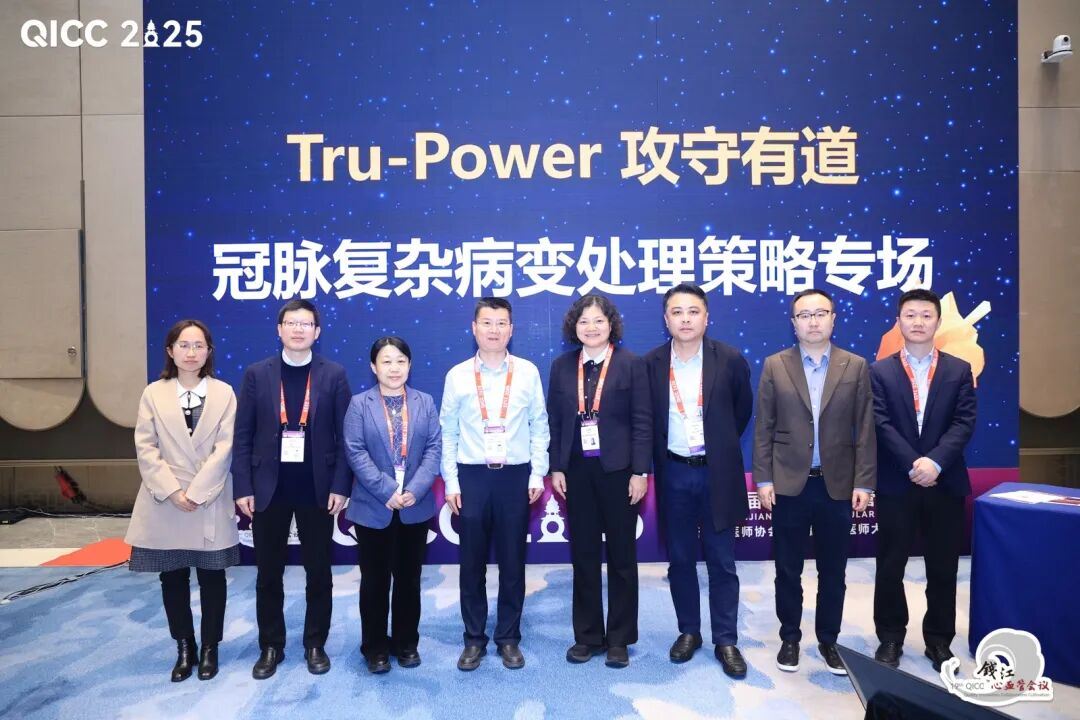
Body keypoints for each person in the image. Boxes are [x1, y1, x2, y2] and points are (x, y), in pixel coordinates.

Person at [752, 288, 876, 676]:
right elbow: (764, 427)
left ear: (833, 319)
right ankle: (790, 637)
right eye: (804, 315)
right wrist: (763, 478)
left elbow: (866, 429)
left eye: (820, 313)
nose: (813, 321)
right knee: (787, 568)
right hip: (789, 484)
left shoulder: (855, 365)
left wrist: (864, 482)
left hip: (836, 485)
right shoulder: (775, 365)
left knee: (833, 571)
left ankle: (829, 640)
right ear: (794, 323)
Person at [232, 299, 352, 679]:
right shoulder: (257, 374)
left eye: (306, 324)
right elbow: (243, 434)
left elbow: (346, 437)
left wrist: (341, 485)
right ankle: (271, 646)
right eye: (291, 323)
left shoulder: (334, 374)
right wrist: (242, 485)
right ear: (279, 329)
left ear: (317, 332)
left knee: (319, 572)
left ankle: (315, 643)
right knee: (269, 573)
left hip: (317, 489)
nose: (298, 329)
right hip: (269, 489)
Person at [642, 283, 753, 678]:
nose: (685, 319)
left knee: (722, 561)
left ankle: (726, 639)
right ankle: (689, 630)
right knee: (681, 559)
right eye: (677, 312)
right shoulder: (652, 363)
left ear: (707, 317)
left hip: (717, 473)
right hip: (673, 472)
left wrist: (716, 447)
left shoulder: (730, 359)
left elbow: (741, 411)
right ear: (666, 319)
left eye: (693, 311)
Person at [439, 297, 549, 671]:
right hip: (472, 477)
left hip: (515, 477)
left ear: (511, 329)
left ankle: (508, 637)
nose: (494, 330)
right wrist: (451, 481)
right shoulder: (457, 376)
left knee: (513, 562)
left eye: (502, 323)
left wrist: (537, 473)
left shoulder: (527, 372)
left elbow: (539, 426)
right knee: (471, 564)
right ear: (474, 328)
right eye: (487, 323)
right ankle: (473, 639)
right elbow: (448, 432)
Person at [870, 289, 977, 672]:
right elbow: (880, 422)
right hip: (897, 483)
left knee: (943, 568)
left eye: (926, 315)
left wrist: (935, 463)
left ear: (938, 321)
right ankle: (890, 637)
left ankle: (938, 641)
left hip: (944, 484)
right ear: (899, 321)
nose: (918, 322)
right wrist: (913, 463)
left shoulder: (958, 369)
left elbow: (964, 422)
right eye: (910, 315)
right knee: (890, 565)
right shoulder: (879, 371)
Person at [126, 319, 239, 682]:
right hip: (166, 501)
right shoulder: (153, 394)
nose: (191, 353)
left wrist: (197, 492)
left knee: (212, 579)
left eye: (199, 346)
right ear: (170, 351)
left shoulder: (224, 393)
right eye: (184, 345)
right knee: (172, 579)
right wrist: (173, 491)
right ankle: (184, 647)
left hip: (209, 498)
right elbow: (146, 447)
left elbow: (226, 447)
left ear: (209, 352)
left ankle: (210, 648)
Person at [547, 295, 651, 669]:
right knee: (584, 556)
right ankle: (588, 636)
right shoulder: (562, 367)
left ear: (611, 325)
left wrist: (640, 472)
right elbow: (555, 421)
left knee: (622, 557)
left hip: (620, 473)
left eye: (598, 321)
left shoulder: (632, 364)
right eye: (584, 321)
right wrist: (556, 467)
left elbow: (643, 421)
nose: (591, 328)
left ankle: (619, 638)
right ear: (573, 327)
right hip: (576, 472)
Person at [344, 336, 441, 674]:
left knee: (409, 580)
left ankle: (406, 643)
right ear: (374, 367)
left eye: (400, 360)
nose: (394, 368)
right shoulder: (359, 404)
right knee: (374, 582)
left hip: (415, 504)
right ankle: (375, 647)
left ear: (409, 365)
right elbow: (355, 451)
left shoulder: (425, 402)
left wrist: (415, 488)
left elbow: (434, 448)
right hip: (374, 506)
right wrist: (387, 489)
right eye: (386, 361)